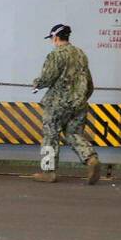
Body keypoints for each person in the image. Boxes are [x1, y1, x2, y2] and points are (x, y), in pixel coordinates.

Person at [30, 23, 100, 185]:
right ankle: (91, 159)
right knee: (74, 134)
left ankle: (48, 171)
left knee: (50, 134)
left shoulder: (56, 55)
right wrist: (81, 98)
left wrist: (36, 84)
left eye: (51, 38)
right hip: (79, 102)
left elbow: (48, 77)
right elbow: (89, 82)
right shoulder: (80, 54)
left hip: (57, 104)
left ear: (55, 37)